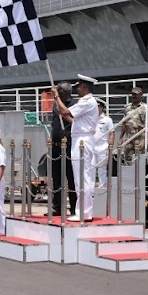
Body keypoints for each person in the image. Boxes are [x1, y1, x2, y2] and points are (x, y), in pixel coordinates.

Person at [52, 74, 99, 222]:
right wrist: (58, 103)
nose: (77, 89)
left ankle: (84, 212)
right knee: (81, 177)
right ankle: (83, 211)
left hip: (83, 140)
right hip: (80, 138)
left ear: (85, 87)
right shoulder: (86, 102)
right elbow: (69, 116)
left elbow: (66, 112)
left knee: (82, 177)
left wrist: (56, 97)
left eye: (79, 86)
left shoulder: (87, 101)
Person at [46, 81, 77, 217]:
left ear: (62, 92)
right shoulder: (55, 104)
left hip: (69, 145)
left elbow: (76, 121)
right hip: (56, 146)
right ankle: (57, 207)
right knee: (56, 178)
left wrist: (70, 132)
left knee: (71, 178)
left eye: (57, 90)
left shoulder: (74, 104)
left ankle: (75, 208)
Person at [119, 87, 148, 164]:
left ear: (141, 95)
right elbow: (124, 123)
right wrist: (120, 138)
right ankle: (130, 175)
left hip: (140, 137)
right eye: (132, 94)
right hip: (129, 137)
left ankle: (140, 175)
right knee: (128, 158)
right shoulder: (127, 107)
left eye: (135, 94)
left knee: (140, 159)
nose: (133, 96)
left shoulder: (146, 108)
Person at [94, 99, 114, 187]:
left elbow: (112, 134)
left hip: (103, 147)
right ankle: (91, 189)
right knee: (90, 169)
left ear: (101, 108)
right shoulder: (90, 119)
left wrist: (110, 148)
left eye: (97, 107)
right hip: (91, 146)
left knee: (102, 169)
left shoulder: (107, 120)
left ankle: (102, 187)